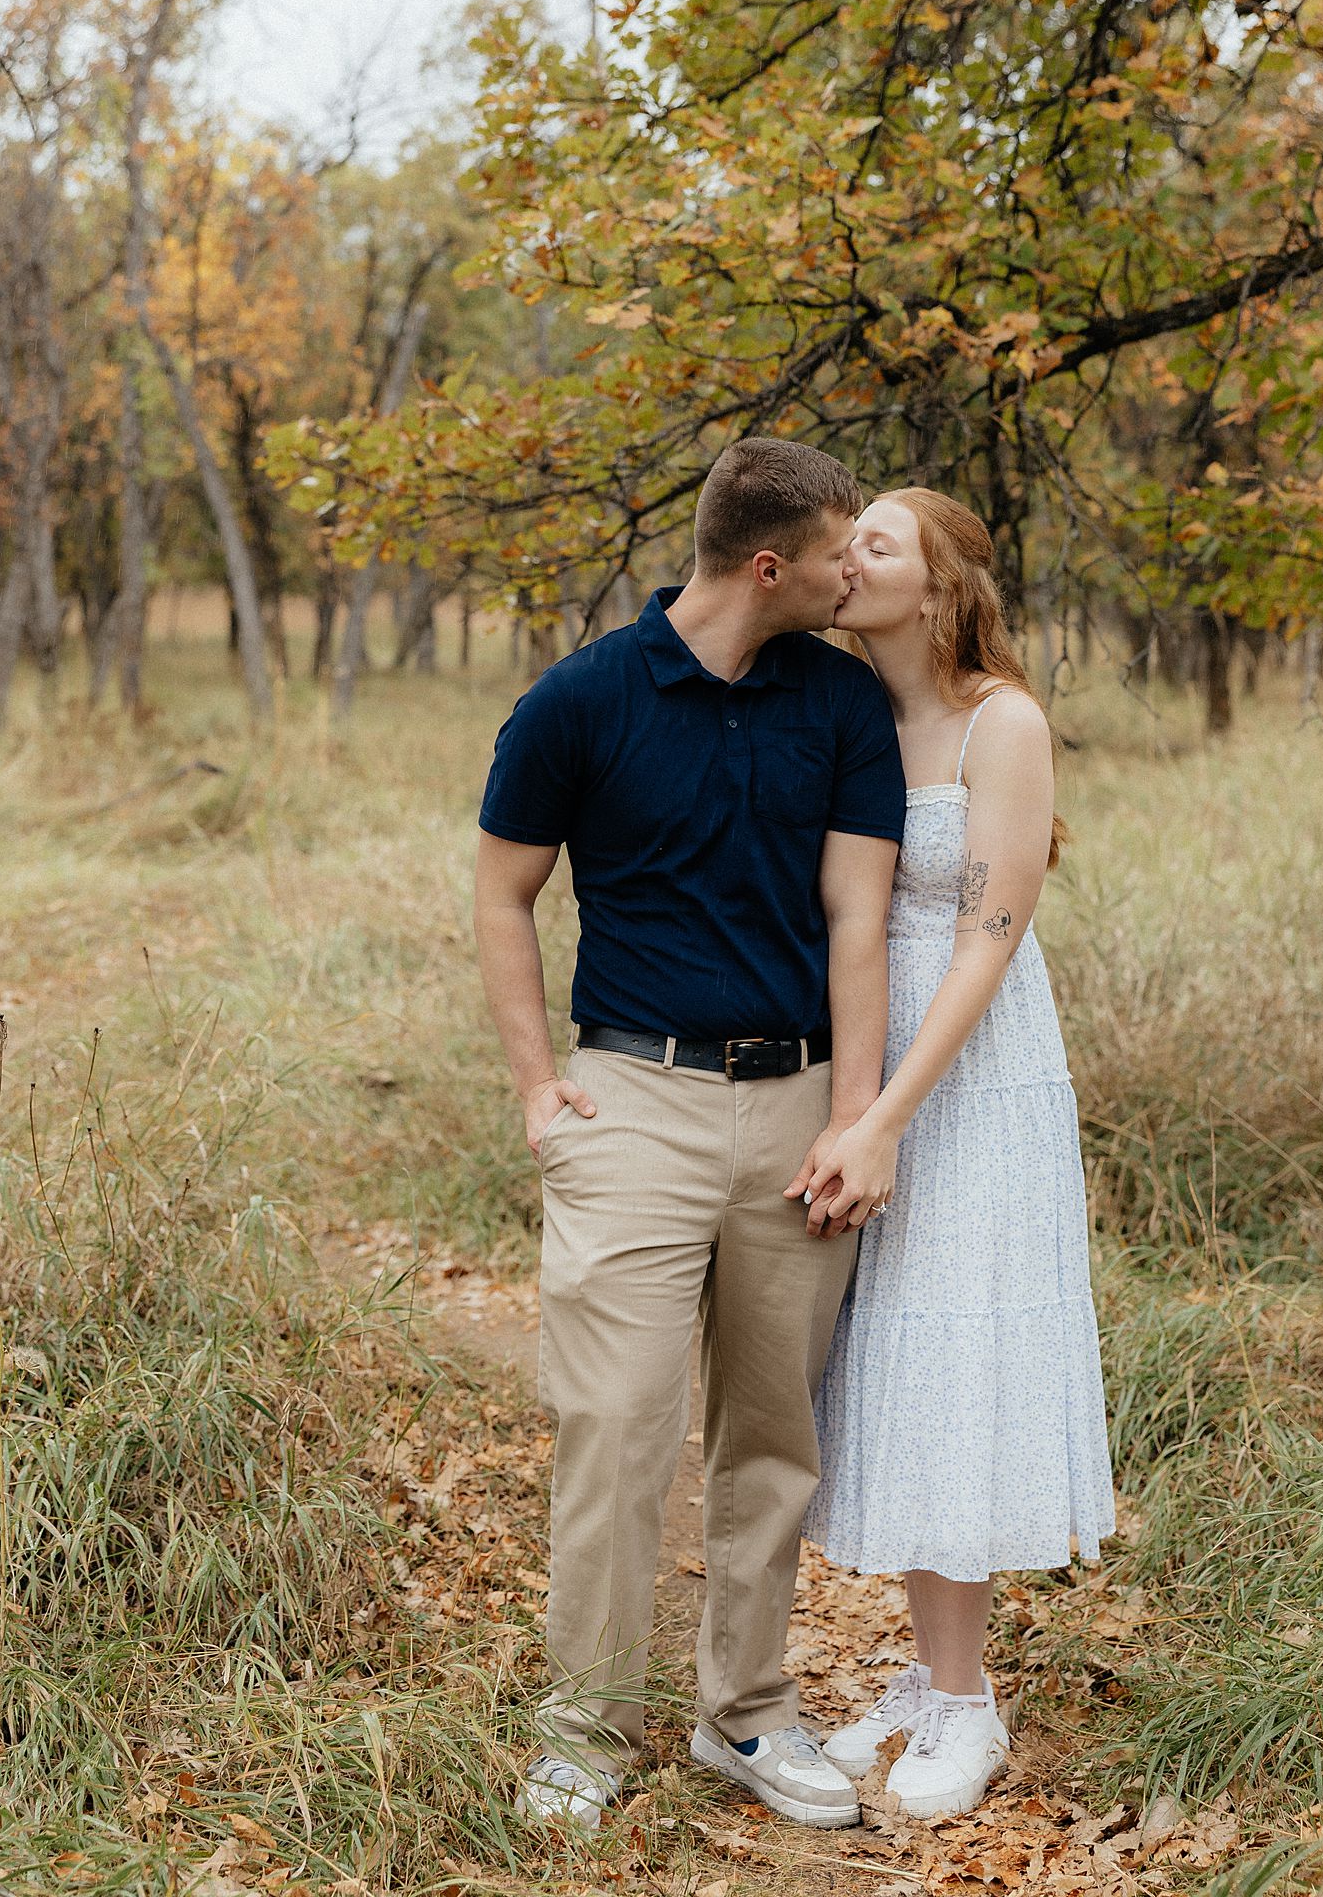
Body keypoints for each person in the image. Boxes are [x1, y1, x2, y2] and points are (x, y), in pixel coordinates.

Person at [473, 438, 906, 1832]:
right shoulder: (581, 700)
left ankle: (749, 1714)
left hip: (799, 1111)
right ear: (771, 565)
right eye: (846, 549)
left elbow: (858, 917)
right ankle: (583, 1731)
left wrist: (857, 1116)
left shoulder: (842, 704)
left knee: (771, 1433)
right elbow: (503, 897)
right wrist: (542, 1089)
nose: (860, 569)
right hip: (633, 1104)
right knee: (615, 1424)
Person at [789, 488, 1116, 1822]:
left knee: (960, 1345)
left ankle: (970, 1702)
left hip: (969, 1069)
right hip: (870, 1056)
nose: (842, 557)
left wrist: (884, 1116)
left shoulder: (1004, 721)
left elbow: (987, 937)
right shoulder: (858, 714)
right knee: (896, 1350)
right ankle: (931, 1676)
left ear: (936, 588)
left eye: (874, 542)